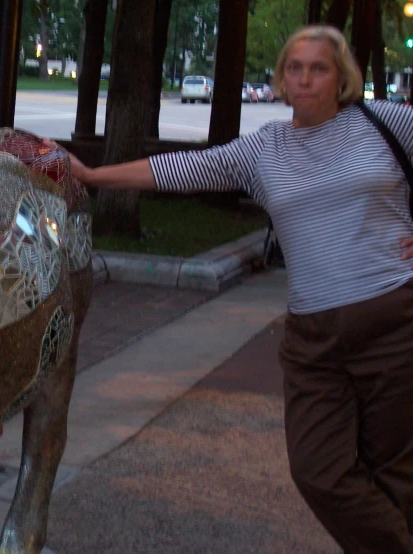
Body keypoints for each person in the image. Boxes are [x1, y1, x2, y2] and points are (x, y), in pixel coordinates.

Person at [54, 25, 413, 554]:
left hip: (393, 321)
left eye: (320, 68)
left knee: (393, 471)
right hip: (314, 339)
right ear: (282, 79)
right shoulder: (264, 150)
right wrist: (92, 176)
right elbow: (179, 169)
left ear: (342, 77)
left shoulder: (388, 123)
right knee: (319, 472)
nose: (306, 78)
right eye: (296, 68)